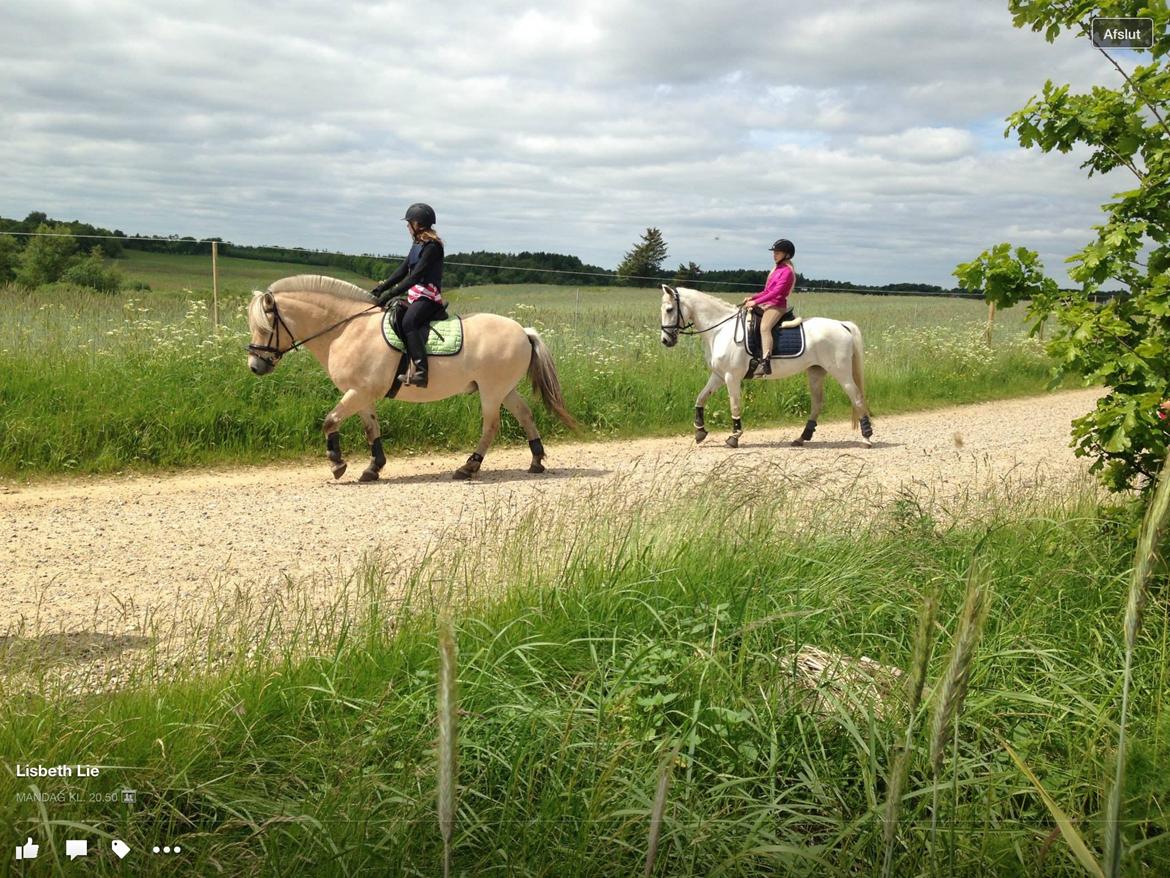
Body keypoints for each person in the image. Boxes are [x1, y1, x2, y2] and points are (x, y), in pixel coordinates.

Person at [371, 203, 445, 387]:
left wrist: (390, 294)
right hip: (416, 296)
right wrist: (381, 289)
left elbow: (415, 277)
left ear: (418, 224)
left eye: (409, 222)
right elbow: (402, 271)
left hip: (428, 298)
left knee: (408, 322)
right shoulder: (417, 244)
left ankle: (421, 372)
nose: (407, 226)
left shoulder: (432, 247)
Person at [741, 238, 796, 375]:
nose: (774, 255)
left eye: (777, 253)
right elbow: (767, 291)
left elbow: (776, 293)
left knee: (765, 327)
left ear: (787, 254)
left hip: (777, 306)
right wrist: (753, 297)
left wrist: (756, 302)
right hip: (769, 304)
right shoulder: (777, 269)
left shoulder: (787, 272)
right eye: (774, 252)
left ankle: (765, 361)